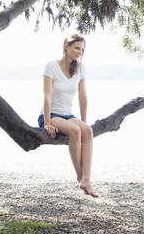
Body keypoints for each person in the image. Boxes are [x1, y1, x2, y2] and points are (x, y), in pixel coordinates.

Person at [38, 34, 98, 198]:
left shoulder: (80, 68)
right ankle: (81, 178)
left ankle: (87, 178)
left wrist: (84, 121)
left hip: (68, 114)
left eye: (82, 49)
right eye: (77, 48)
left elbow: (82, 95)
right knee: (75, 131)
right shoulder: (51, 66)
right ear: (66, 45)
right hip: (50, 114)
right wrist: (47, 123)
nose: (80, 52)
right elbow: (47, 96)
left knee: (87, 131)